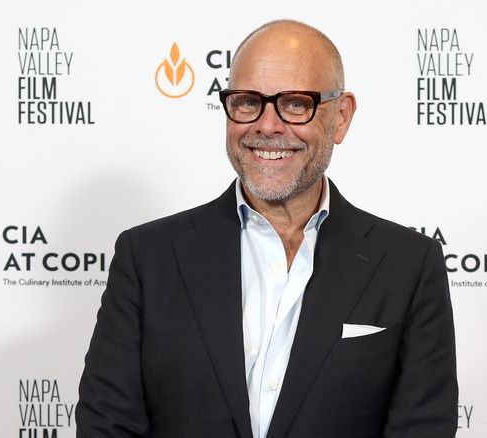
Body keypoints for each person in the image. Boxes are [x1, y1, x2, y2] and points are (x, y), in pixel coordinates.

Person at [77, 19, 457, 438]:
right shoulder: (147, 257)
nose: (268, 126)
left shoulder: (408, 265)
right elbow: (107, 427)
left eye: (296, 104)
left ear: (341, 117)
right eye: (247, 102)